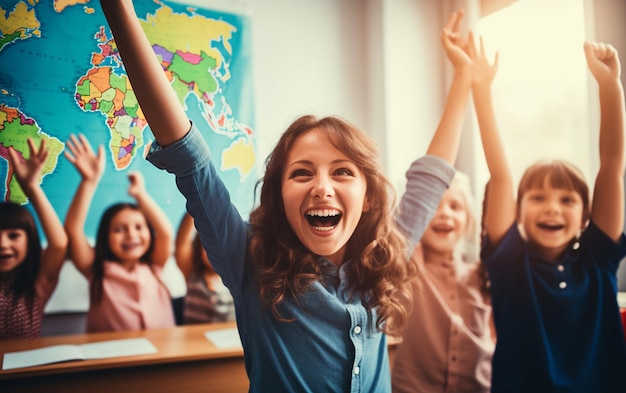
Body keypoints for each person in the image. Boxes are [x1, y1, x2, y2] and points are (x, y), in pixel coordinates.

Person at [99, 1, 473, 390]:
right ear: (279, 196)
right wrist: (119, 11)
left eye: (342, 172)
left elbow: (431, 180)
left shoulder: (383, 257)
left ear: (369, 199)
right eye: (302, 173)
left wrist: (462, 76)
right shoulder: (250, 262)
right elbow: (190, 158)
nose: (322, 187)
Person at [472, 33, 626, 392]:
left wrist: (610, 86)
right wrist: (480, 89)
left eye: (568, 200)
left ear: (587, 216)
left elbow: (613, 165)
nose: (553, 207)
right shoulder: (510, 261)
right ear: (519, 212)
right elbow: (501, 174)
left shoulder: (597, 259)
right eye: (538, 197)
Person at [391, 171, 495, 393]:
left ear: (468, 219)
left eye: (455, 207)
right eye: (434, 205)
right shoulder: (404, 267)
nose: (445, 214)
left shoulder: (481, 276)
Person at [63, 134, 175, 333]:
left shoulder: (154, 266)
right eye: (118, 229)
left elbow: (166, 233)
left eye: (139, 227)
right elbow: (73, 230)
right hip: (112, 360)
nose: (131, 235)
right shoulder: (96, 270)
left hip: (161, 356)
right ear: (105, 237)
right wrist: (88, 181)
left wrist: (141, 195)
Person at [0, 139, 68, 340]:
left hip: (26, 370)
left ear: (29, 241)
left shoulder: (36, 284)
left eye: (13, 236)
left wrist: (31, 187)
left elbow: (59, 244)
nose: (3, 244)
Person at [175, 212, 235, 324]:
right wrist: (195, 206)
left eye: (222, 247)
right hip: (196, 340)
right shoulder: (192, 274)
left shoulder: (236, 278)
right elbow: (182, 242)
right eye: (208, 247)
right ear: (198, 249)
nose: (215, 253)